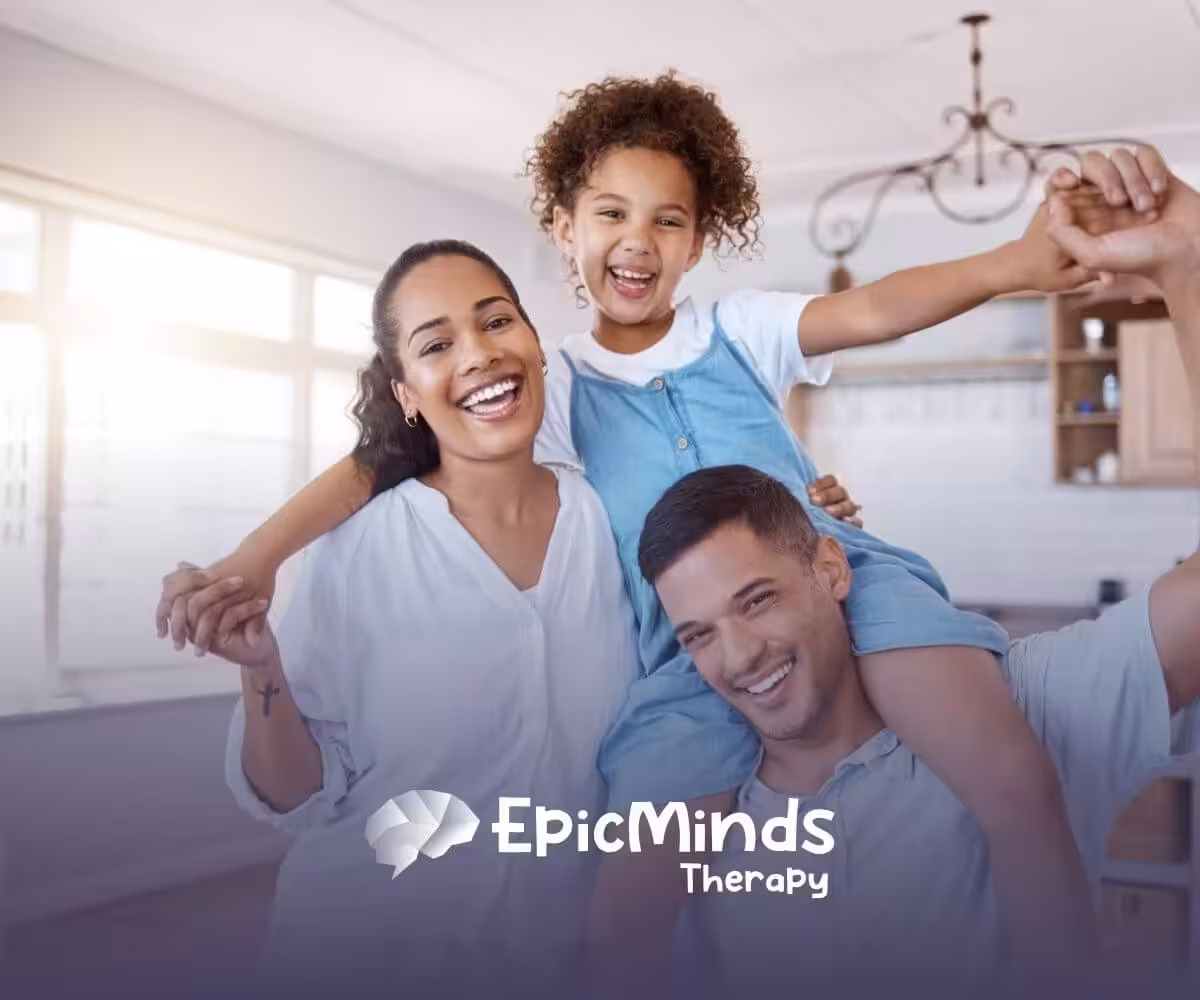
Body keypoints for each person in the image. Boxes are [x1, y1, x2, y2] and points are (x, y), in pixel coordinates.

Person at [157, 76, 1151, 977]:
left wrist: (1018, 262)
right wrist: (252, 560)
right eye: (612, 213)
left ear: (698, 239)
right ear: (564, 225)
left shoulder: (739, 332)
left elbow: (877, 308)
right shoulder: (550, 390)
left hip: (846, 580)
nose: (639, 237)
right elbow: (382, 459)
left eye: (668, 219)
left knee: (1013, 780)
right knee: (630, 909)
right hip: (681, 657)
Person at [635, 151, 1200, 990]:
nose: (741, 655)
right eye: (699, 633)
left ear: (832, 567)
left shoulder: (1025, 709)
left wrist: (1188, 265)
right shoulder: (690, 819)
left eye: (756, 600)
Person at [165, 239, 646, 993]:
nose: (480, 354)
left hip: (559, 958)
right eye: (437, 344)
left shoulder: (609, 523)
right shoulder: (357, 550)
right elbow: (294, 792)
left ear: (536, 346)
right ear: (408, 394)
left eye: (497, 323)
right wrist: (263, 672)